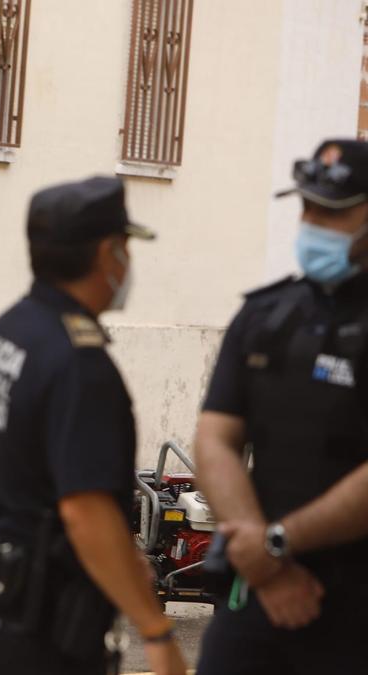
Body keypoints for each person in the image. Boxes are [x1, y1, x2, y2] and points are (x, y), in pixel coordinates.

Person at [0, 176, 186, 675]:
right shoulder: (81, 365)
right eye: (126, 248)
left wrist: (124, 563)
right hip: (40, 625)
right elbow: (86, 511)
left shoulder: (7, 332)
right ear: (107, 254)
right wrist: (157, 631)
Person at [194, 139, 368, 674]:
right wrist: (266, 564)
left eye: (332, 213)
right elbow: (215, 439)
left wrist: (275, 544)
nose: (312, 222)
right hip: (257, 594)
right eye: (307, 207)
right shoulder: (267, 314)